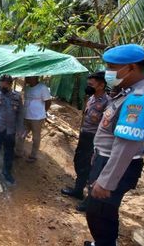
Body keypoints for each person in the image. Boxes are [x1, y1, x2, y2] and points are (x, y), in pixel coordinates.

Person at [84, 44, 144, 246]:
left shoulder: (138, 99)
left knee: (99, 213)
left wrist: (107, 180)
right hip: (108, 159)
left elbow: (126, 144)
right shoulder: (129, 90)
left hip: (116, 164)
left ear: (131, 68)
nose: (108, 72)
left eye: (111, 66)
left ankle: (105, 243)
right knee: (102, 211)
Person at [61, 72, 109, 212]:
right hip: (85, 136)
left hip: (95, 139)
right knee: (79, 162)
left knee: (92, 168)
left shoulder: (107, 102)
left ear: (101, 85)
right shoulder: (91, 98)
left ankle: (90, 200)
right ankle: (78, 190)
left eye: (91, 85)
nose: (88, 87)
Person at [16, 76, 51, 162]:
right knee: (21, 135)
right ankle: (19, 152)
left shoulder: (42, 87)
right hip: (26, 116)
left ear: (34, 77)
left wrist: (43, 112)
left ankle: (33, 156)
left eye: (28, 76)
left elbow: (48, 102)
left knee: (35, 138)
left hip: (37, 118)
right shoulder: (27, 88)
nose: (26, 78)